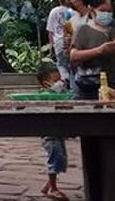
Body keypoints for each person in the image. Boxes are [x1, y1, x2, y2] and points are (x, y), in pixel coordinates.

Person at [70, 0, 115, 100]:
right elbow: (74, 55)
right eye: (102, 10)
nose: (106, 14)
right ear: (92, 10)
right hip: (91, 86)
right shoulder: (83, 30)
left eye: (109, 11)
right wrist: (100, 50)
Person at [36, 63, 69, 200]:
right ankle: (53, 189)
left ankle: (49, 184)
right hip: (49, 133)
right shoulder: (44, 95)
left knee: (61, 159)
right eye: (56, 81)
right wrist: (54, 92)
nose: (60, 84)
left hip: (58, 131)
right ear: (46, 83)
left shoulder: (60, 94)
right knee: (54, 159)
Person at [46, 0, 73, 84]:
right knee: (71, 63)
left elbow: (50, 30)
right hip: (70, 40)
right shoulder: (71, 11)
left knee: (61, 63)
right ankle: (70, 81)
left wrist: (51, 45)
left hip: (58, 41)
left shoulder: (54, 11)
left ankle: (66, 80)